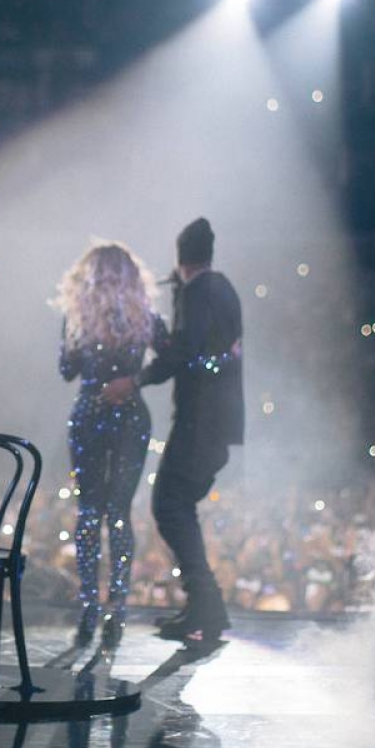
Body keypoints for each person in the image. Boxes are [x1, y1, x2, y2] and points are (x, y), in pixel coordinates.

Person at [101, 217, 244, 644]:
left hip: (200, 421)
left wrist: (136, 380)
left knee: (169, 504)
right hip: (217, 421)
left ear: (180, 258)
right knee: (178, 504)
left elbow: (185, 350)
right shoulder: (224, 289)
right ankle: (205, 606)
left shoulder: (199, 291)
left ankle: (208, 605)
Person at [53, 241, 168, 646]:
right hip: (130, 416)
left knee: (90, 513)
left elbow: (65, 369)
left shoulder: (78, 316)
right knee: (116, 513)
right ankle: (115, 607)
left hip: (89, 414)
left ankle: (90, 606)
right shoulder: (144, 317)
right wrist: (134, 380)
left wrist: (77, 334)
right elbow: (169, 360)